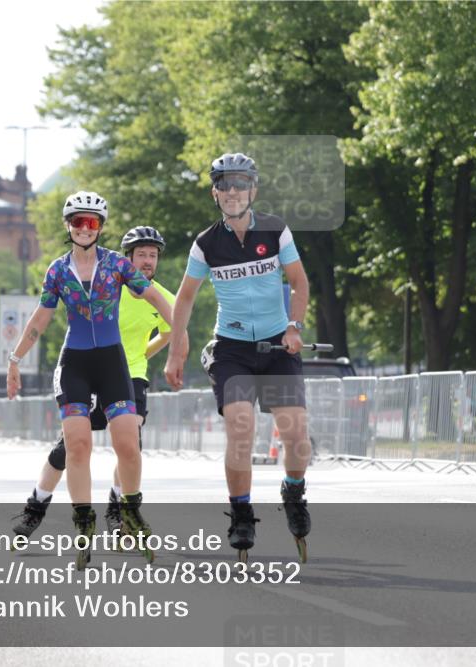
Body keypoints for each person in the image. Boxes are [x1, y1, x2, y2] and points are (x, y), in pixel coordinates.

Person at [7, 192, 173, 568]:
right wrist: (14, 360)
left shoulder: (116, 264)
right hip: (76, 363)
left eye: (92, 222)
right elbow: (39, 321)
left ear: (100, 227)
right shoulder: (58, 271)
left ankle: (130, 510)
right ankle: (84, 522)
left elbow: (157, 300)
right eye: (78, 221)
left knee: (129, 444)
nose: (85, 228)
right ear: (68, 226)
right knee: (77, 446)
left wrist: (177, 337)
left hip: (113, 363)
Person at [164, 153, 313, 562]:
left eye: (240, 184)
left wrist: (294, 327)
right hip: (232, 349)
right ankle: (242, 513)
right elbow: (186, 297)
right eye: (224, 185)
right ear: (215, 193)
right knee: (241, 429)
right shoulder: (206, 244)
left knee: (297, 436)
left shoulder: (276, 231)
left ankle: (293, 491)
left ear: (253, 190)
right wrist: (177, 350)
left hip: (278, 344)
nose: (232, 192)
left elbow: (299, 282)